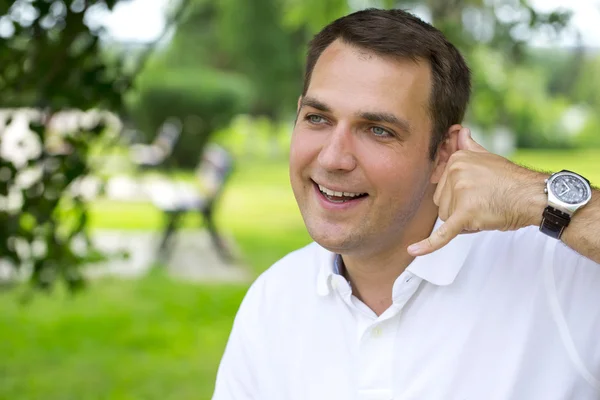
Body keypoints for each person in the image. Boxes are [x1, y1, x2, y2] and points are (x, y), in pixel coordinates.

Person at [213, 8, 600, 400]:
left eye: (378, 130)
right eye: (317, 118)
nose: (332, 158)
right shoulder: (273, 301)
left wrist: (535, 194)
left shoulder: (559, 275)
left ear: (444, 153)